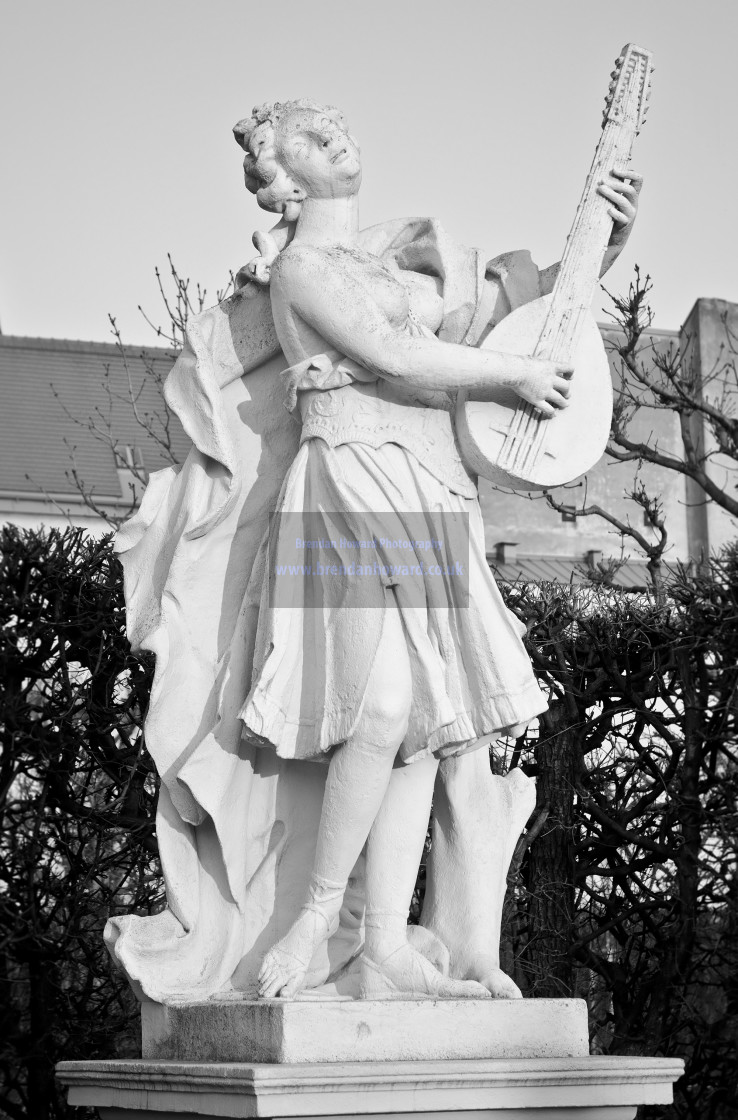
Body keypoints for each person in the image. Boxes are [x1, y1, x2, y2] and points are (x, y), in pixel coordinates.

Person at [228, 99, 642, 1000]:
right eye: (308, 133)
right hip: (345, 479)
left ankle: (380, 945)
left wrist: (602, 234)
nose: (335, 133)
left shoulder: (411, 255)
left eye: (337, 122)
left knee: (427, 723)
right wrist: (511, 377)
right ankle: (314, 916)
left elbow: (523, 314)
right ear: (283, 183)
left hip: (433, 487)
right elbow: (395, 357)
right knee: (378, 705)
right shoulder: (304, 267)